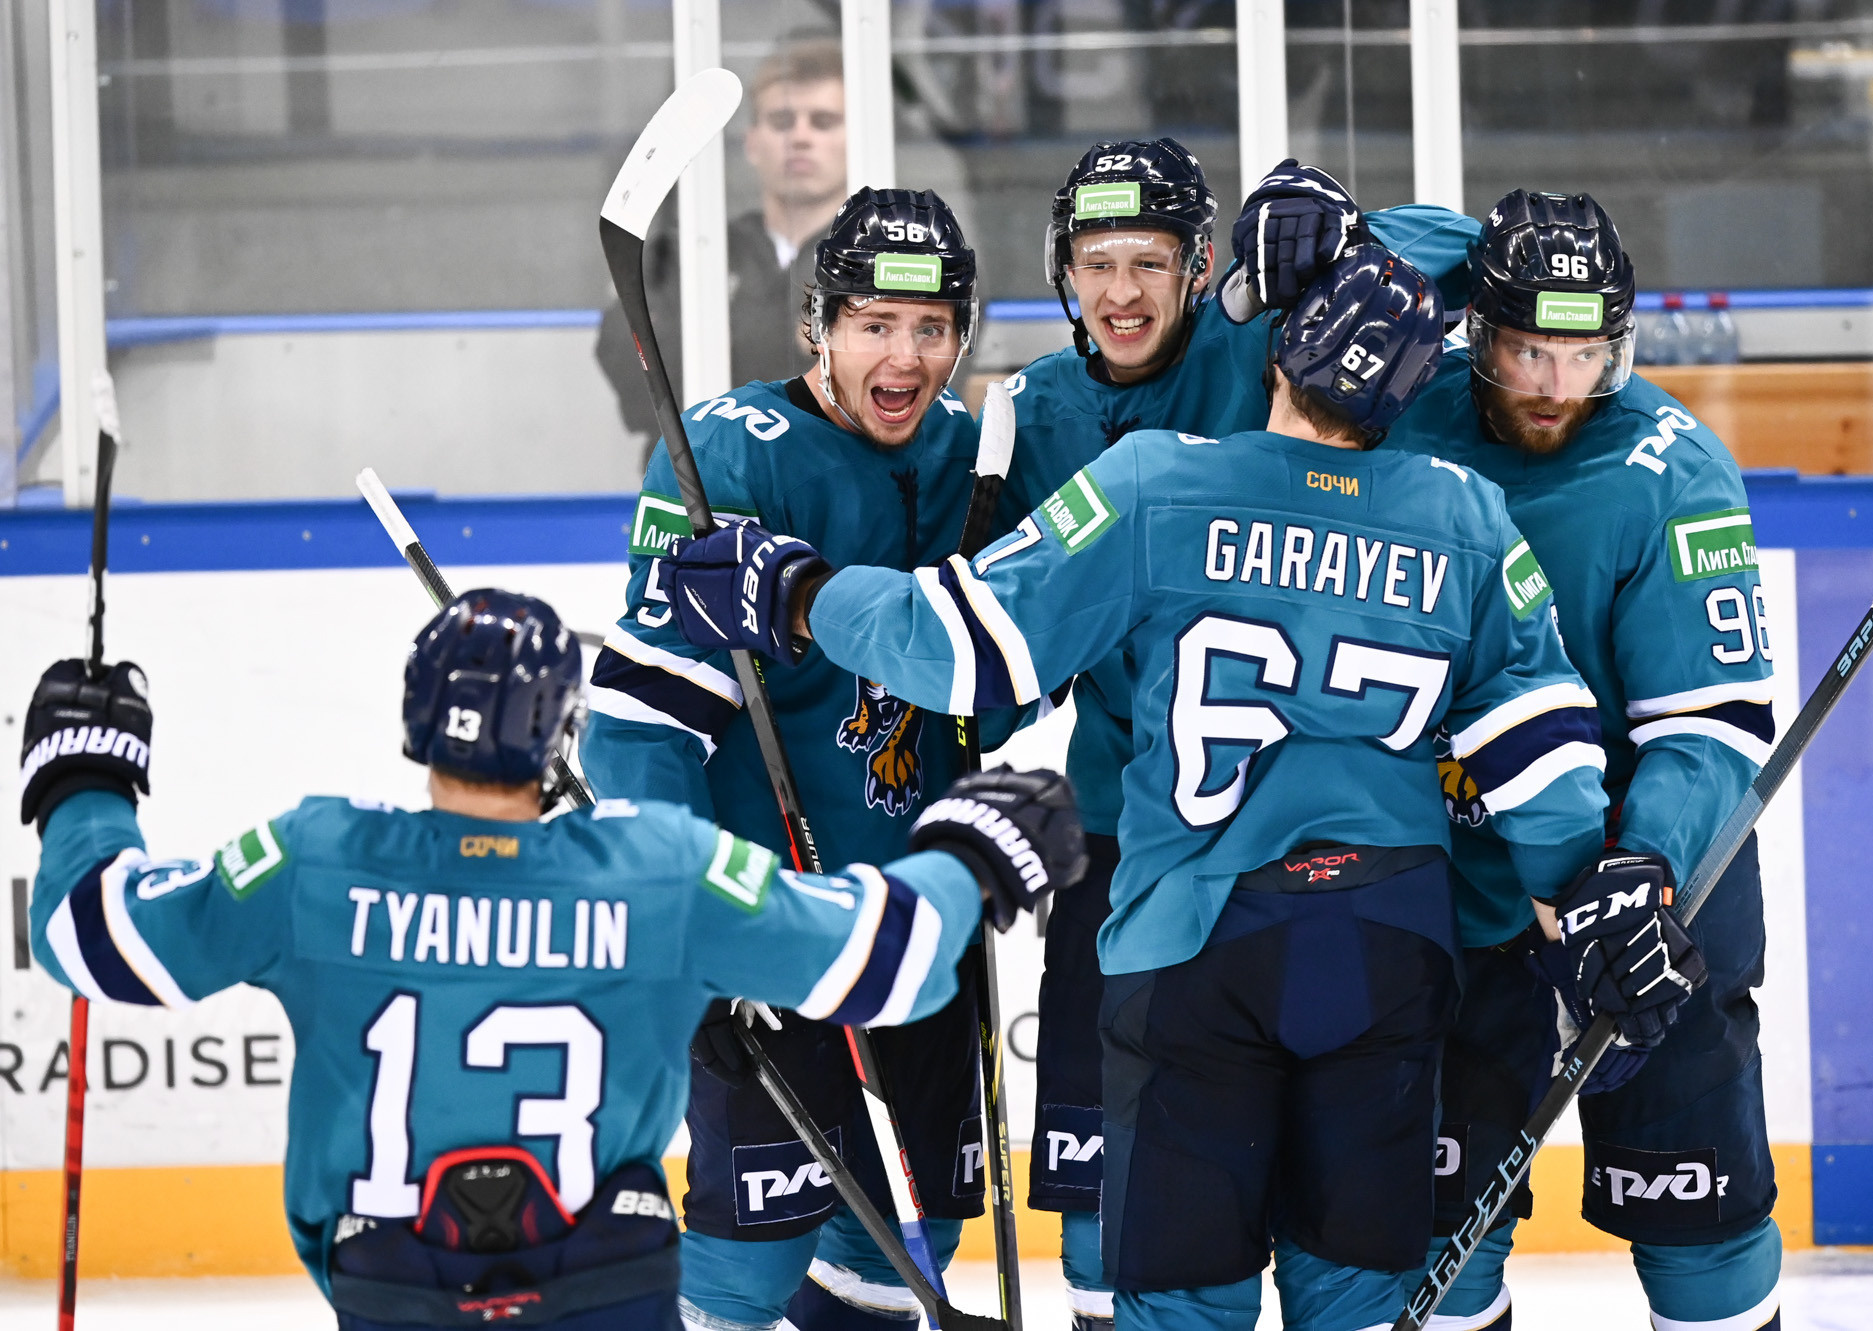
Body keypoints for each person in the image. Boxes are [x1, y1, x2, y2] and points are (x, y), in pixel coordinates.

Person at [649, 248, 1700, 1331]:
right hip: (1386, 943)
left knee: (1182, 1300)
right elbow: (1540, 749)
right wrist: (1590, 902)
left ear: (1278, 358)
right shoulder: (1464, 512)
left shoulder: (1160, 482)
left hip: (1196, 944)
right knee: (1352, 1293)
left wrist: (797, 591)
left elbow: (963, 651)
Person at [18, 590, 1082, 1331]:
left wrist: (85, 786)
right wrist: (966, 856)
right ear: (559, 729)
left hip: (390, 1285)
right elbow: (878, 958)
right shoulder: (655, 865)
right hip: (598, 1285)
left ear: (414, 717)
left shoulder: (317, 860)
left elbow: (93, 935)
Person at [993, 141, 1481, 1327]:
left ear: (1201, 266)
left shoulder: (1268, 341)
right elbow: (1002, 667)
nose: (1120, 292)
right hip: (1130, 844)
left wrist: (1343, 233)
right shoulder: (1024, 412)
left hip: (1306, 862)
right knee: (1108, 1215)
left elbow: (1470, 261)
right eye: (1095, 262)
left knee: (1318, 1227)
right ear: (1061, 271)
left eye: (1148, 262)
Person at [580, 187, 1001, 1331]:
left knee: (910, 1240)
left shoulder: (970, 452)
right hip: (765, 917)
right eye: (873, 323)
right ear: (818, 326)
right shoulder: (726, 452)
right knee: (751, 1248)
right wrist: (686, 925)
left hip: (915, 914)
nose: (903, 354)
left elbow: (987, 693)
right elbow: (637, 720)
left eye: (929, 328)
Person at [1380, 190, 1779, 1331]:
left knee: (1695, 1206)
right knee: (1435, 1231)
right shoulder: (1395, 428)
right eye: (1524, 347)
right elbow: (1347, 269)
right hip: (1451, 893)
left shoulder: (1672, 467)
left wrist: (1641, 859)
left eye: (1584, 351)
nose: (1557, 384)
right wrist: (1462, 259)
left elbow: (1707, 728)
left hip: (1642, 892)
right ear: (1472, 329)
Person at [597, 37, 850, 443]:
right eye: (783, 121)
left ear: (856, 138)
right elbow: (635, 378)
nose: (801, 137)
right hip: (698, 486)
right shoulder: (695, 252)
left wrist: (730, 337)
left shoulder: (886, 254)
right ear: (752, 142)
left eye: (823, 121)